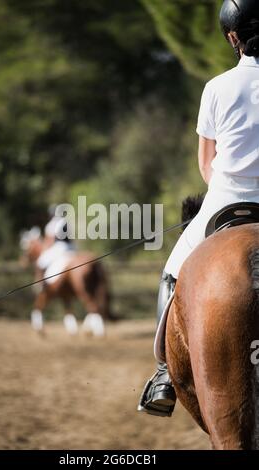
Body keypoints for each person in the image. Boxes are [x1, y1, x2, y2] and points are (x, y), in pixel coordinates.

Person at [138, 0, 259, 417]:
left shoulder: (217, 87)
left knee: (173, 274)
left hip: (225, 200)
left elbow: (207, 164)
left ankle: (164, 375)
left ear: (232, 37)